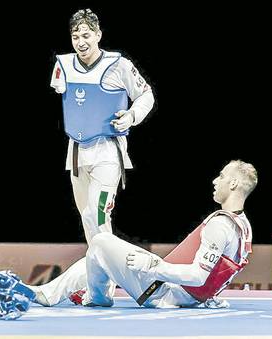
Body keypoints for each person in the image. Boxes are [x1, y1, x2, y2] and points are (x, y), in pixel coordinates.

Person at [29, 160, 257, 308]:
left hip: (163, 293)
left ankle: (98, 297)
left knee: (99, 240)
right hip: (178, 293)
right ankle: (52, 293)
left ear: (234, 183)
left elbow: (198, 276)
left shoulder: (220, 225)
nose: (215, 181)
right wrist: (209, 297)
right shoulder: (242, 225)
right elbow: (220, 272)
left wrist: (152, 266)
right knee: (98, 253)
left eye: (222, 176)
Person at [51, 8, 155, 243]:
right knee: (87, 219)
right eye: (75, 36)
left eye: (86, 35)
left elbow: (146, 94)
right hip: (76, 152)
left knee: (98, 217)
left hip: (108, 151)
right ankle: (98, 279)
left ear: (98, 35)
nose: (81, 42)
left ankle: (108, 278)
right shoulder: (63, 66)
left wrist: (131, 116)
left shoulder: (120, 65)